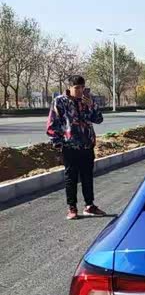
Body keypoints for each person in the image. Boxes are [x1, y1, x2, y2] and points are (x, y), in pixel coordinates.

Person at [46, 75, 107, 220]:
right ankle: (72, 208)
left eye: (82, 87)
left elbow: (98, 119)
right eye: (77, 88)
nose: (80, 90)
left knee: (87, 177)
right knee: (71, 178)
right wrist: (58, 143)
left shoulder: (87, 100)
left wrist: (91, 105)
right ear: (69, 88)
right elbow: (52, 123)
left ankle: (89, 205)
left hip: (87, 145)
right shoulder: (60, 101)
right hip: (70, 146)